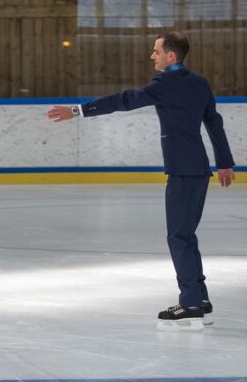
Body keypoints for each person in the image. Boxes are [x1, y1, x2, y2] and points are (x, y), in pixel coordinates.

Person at [46, 31, 235, 331]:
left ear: (171, 56)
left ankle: (191, 305)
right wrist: (224, 162)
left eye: (156, 51)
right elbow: (213, 120)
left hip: (183, 171)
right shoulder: (199, 83)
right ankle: (200, 300)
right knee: (186, 235)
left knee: (178, 237)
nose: (152, 56)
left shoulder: (164, 83)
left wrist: (77, 110)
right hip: (198, 169)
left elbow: (124, 100)